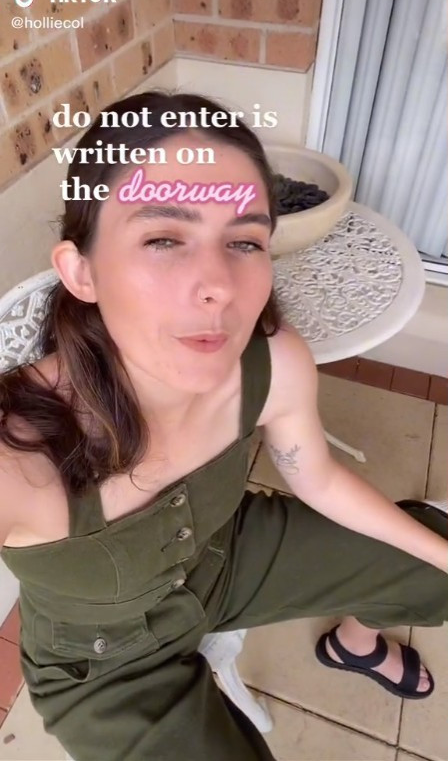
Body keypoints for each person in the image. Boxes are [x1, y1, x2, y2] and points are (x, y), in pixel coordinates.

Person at [0, 89, 446, 761]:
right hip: (103, 662)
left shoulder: (275, 362)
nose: (219, 286)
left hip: (222, 556)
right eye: (163, 238)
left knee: (432, 564)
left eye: (243, 241)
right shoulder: (18, 452)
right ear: (82, 271)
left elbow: (317, 478)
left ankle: (353, 645)